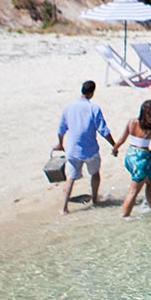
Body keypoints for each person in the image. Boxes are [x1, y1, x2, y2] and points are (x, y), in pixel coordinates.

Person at [54, 80, 115, 215]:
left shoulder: (68, 107)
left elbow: (61, 129)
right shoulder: (93, 108)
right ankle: (94, 200)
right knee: (95, 174)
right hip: (90, 150)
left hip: (72, 150)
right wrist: (114, 144)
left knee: (70, 178)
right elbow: (103, 130)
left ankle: (63, 208)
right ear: (92, 92)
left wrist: (60, 143)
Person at [113, 100, 151, 218]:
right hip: (142, 160)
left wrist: (115, 149)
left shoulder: (132, 122)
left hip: (130, 156)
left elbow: (121, 139)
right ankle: (124, 215)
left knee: (149, 183)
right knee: (133, 191)